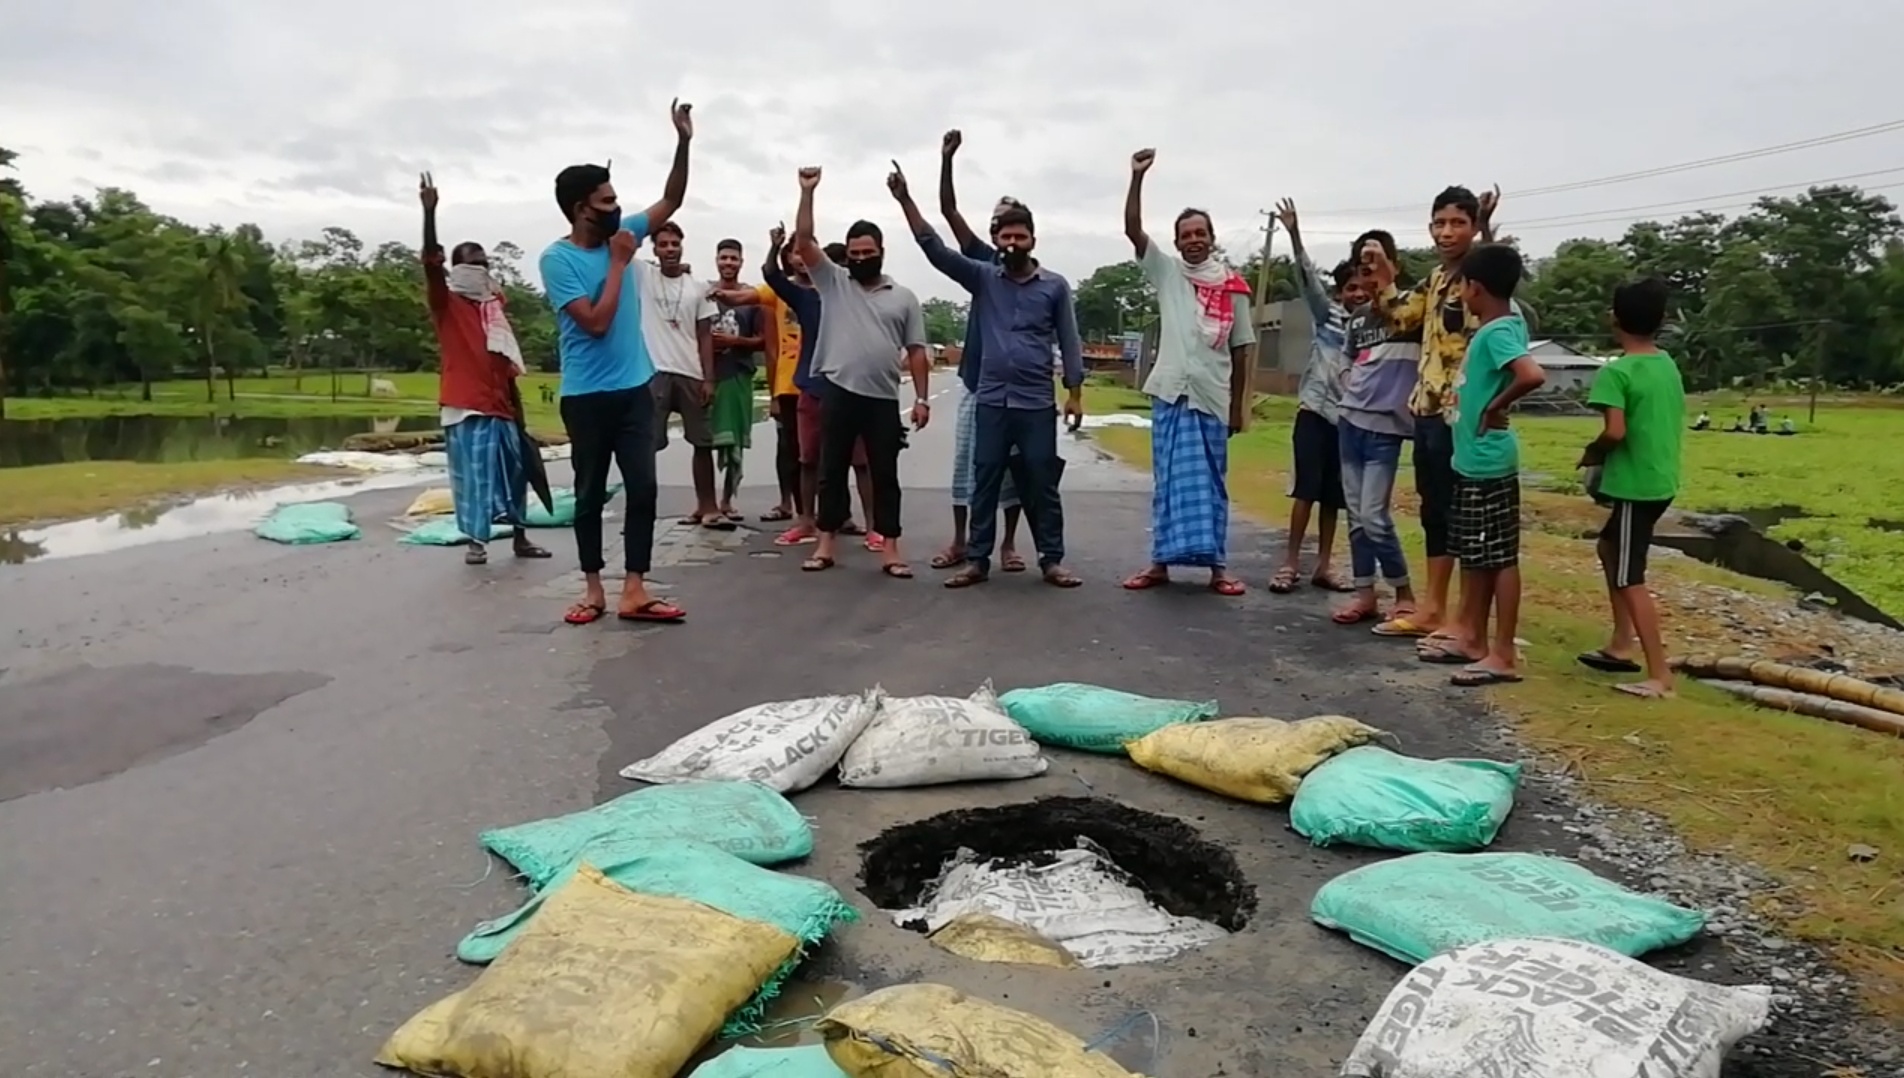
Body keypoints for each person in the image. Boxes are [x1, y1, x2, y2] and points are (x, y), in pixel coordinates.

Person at [890, 160, 1085, 588]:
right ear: (996, 241)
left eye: (1021, 236)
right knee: (985, 478)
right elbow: (935, 248)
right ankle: (977, 559)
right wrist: (906, 200)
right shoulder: (983, 277)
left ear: (1033, 239)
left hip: (1036, 403)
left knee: (1040, 480)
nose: (1013, 243)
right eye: (1006, 236)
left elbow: (1069, 340)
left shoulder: (1054, 286)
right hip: (992, 399)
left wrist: (1074, 392)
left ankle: (1052, 559)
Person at [537, 98, 693, 627]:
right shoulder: (559, 259)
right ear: (584, 208)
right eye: (608, 200)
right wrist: (621, 262)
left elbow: (671, 198)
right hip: (586, 397)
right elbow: (597, 322)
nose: (617, 207)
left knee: (643, 488)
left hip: (634, 390)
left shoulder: (622, 231)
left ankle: (635, 588)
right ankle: (593, 589)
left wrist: (683, 141)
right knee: (588, 492)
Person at [1117, 149, 1255, 596]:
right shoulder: (1168, 273)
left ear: (1212, 238)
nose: (1193, 240)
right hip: (1171, 393)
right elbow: (1132, 230)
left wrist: (1239, 407)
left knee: (1212, 483)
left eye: (1201, 233)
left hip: (1212, 397)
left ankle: (1218, 567)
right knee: (1168, 481)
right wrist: (1137, 178)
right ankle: (1160, 562)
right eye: (1186, 234)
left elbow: (1244, 349)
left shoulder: (1233, 288)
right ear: (1176, 243)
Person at [789, 165, 931, 576]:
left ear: (881, 252)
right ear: (847, 256)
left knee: (885, 473)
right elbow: (804, 240)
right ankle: (825, 544)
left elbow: (917, 350)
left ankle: (890, 549)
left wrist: (922, 399)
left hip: (883, 398)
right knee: (830, 470)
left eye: (869, 253)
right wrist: (807, 192)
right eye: (855, 255)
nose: (862, 259)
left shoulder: (902, 297)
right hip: (838, 390)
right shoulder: (833, 282)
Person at [418, 173, 551, 567]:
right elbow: (430, 262)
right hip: (467, 407)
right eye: (471, 264)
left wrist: (519, 413)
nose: (480, 270)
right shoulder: (447, 305)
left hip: (501, 407)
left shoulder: (494, 312)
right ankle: (476, 542)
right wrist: (429, 213)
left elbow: (506, 367)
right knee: (475, 480)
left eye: (484, 264)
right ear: (456, 270)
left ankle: (520, 537)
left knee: (515, 474)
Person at [714, 233, 880, 545]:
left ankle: (873, 527)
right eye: (797, 253)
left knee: (859, 461)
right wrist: (775, 246)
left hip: (849, 387)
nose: (803, 260)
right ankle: (806, 521)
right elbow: (771, 276)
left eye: (809, 253)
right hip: (809, 386)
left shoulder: (847, 293)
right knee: (806, 459)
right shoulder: (802, 296)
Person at [1435, 243, 1545, 686]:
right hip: (1473, 461)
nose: (1459, 291)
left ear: (1474, 288)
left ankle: (1502, 653)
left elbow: (1531, 375)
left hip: (1487, 461)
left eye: (1462, 284)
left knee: (1498, 558)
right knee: (1476, 556)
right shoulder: (1509, 319)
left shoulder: (1498, 331)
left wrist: (1493, 406)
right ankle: (1473, 639)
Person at [1577, 276, 1684, 700]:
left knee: (1629, 575)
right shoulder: (1666, 364)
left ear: (1614, 318)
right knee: (1609, 547)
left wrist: (1592, 452)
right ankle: (1621, 644)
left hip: (1635, 486)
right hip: (1661, 481)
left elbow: (1615, 432)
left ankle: (1660, 676)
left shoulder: (1616, 372)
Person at [932, 129, 1026, 573]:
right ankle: (960, 540)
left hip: (1021, 391)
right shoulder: (981, 260)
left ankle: (1008, 545)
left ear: (1026, 234)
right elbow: (948, 210)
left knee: (1013, 469)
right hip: (976, 383)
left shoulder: (1039, 279)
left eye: (1016, 227)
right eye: (1000, 224)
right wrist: (948, 158)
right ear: (994, 231)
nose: (1008, 237)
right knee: (965, 465)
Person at [1333, 228, 1421, 625]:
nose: (1368, 275)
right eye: (1362, 267)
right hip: (1350, 422)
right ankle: (1364, 593)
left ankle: (1403, 591)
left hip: (1387, 428)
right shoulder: (1357, 320)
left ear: (1393, 266)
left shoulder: (1413, 313)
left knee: (1373, 514)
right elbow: (1349, 362)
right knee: (1355, 515)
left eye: (1376, 264)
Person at [1270, 198, 1351, 595]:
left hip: (1350, 420)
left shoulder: (1375, 323)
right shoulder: (1328, 314)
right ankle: (1289, 563)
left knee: (1333, 497)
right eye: (1349, 288)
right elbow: (1308, 279)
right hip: (1315, 413)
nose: (1356, 294)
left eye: (1362, 287)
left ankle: (1323, 566)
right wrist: (1294, 233)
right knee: (1306, 489)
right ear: (1340, 290)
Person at [637, 220, 725, 528]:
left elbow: (705, 336)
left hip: (690, 371)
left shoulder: (697, 288)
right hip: (655, 372)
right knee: (647, 443)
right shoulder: (643, 276)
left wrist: (709, 378)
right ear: (655, 249)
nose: (670, 250)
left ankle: (708, 506)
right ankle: (642, 509)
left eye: (675, 244)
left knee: (702, 442)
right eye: (664, 244)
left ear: (682, 246)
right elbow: (620, 243)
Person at [708, 237, 764, 520]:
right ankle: (705, 503)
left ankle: (727, 500)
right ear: (716, 260)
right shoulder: (704, 294)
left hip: (738, 374)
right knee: (704, 440)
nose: (728, 263)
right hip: (708, 376)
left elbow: (763, 341)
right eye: (724, 258)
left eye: (733, 259)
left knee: (734, 444)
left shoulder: (752, 299)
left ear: (742, 262)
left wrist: (736, 340)